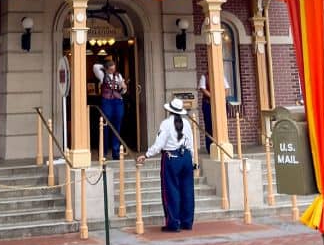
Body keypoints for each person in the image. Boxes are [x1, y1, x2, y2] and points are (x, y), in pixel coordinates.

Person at [137, 98, 195, 232]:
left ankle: (173, 223)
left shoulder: (166, 124)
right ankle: (187, 222)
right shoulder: (186, 123)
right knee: (187, 191)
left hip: (172, 158)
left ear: (169, 110)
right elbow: (191, 143)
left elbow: (159, 145)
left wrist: (146, 155)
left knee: (171, 191)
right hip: (186, 157)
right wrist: (191, 160)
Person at [93, 57, 126, 157]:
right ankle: (103, 153)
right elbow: (95, 66)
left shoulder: (118, 75)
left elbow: (123, 90)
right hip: (107, 102)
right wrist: (105, 67)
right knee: (105, 126)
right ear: (107, 68)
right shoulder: (102, 74)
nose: (113, 70)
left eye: (114, 68)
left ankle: (116, 153)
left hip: (118, 102)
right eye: (111, 68)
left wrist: (124, 88)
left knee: (117, 127)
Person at [198, 72, 230, 153]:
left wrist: (221, 97)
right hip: (208, 104)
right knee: (209, 126)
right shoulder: (204, 77)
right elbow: (203, 89)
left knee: (222, 124)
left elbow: (226, 89)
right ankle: (210, 148)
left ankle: (223, 144)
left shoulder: (221, 76)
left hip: (221, 104)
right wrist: (213, 97)